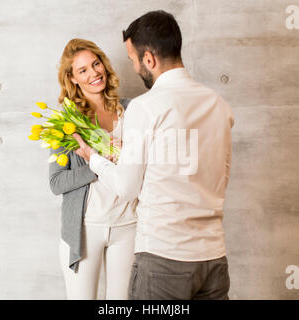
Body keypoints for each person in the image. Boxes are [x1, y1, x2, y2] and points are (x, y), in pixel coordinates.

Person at [73, 10, 235, 300]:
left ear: (149, 59)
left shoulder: (145, 107)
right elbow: (220, 176)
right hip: (214, 259)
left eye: (134, 61)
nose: (135, 68)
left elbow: (125, 187)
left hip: (164, 259)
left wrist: (92, 158)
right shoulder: (219, 105)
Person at [49, 38, 138, 300]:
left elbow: (146, 166)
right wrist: (98, 162)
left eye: (95, 64)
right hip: (85, 230)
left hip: (129, 225)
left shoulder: (131, 110)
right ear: (73, 79)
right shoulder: (66, 123)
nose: (93, 74)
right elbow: (56, 183)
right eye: (83, 70)